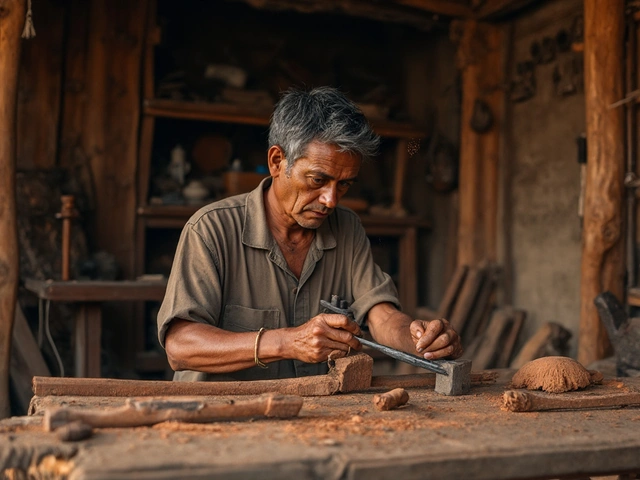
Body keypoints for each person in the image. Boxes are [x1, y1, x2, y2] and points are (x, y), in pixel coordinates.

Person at [157, 86, 463, 381]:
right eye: (318, 179)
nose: (331, 200)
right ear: (277, 162)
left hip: (310, 419)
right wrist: (287, 342)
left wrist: (420, 340)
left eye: (344, 184)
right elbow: (180, 346)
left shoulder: (347, 227)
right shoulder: (211, 230)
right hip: (222, 421)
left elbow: (380, 314)